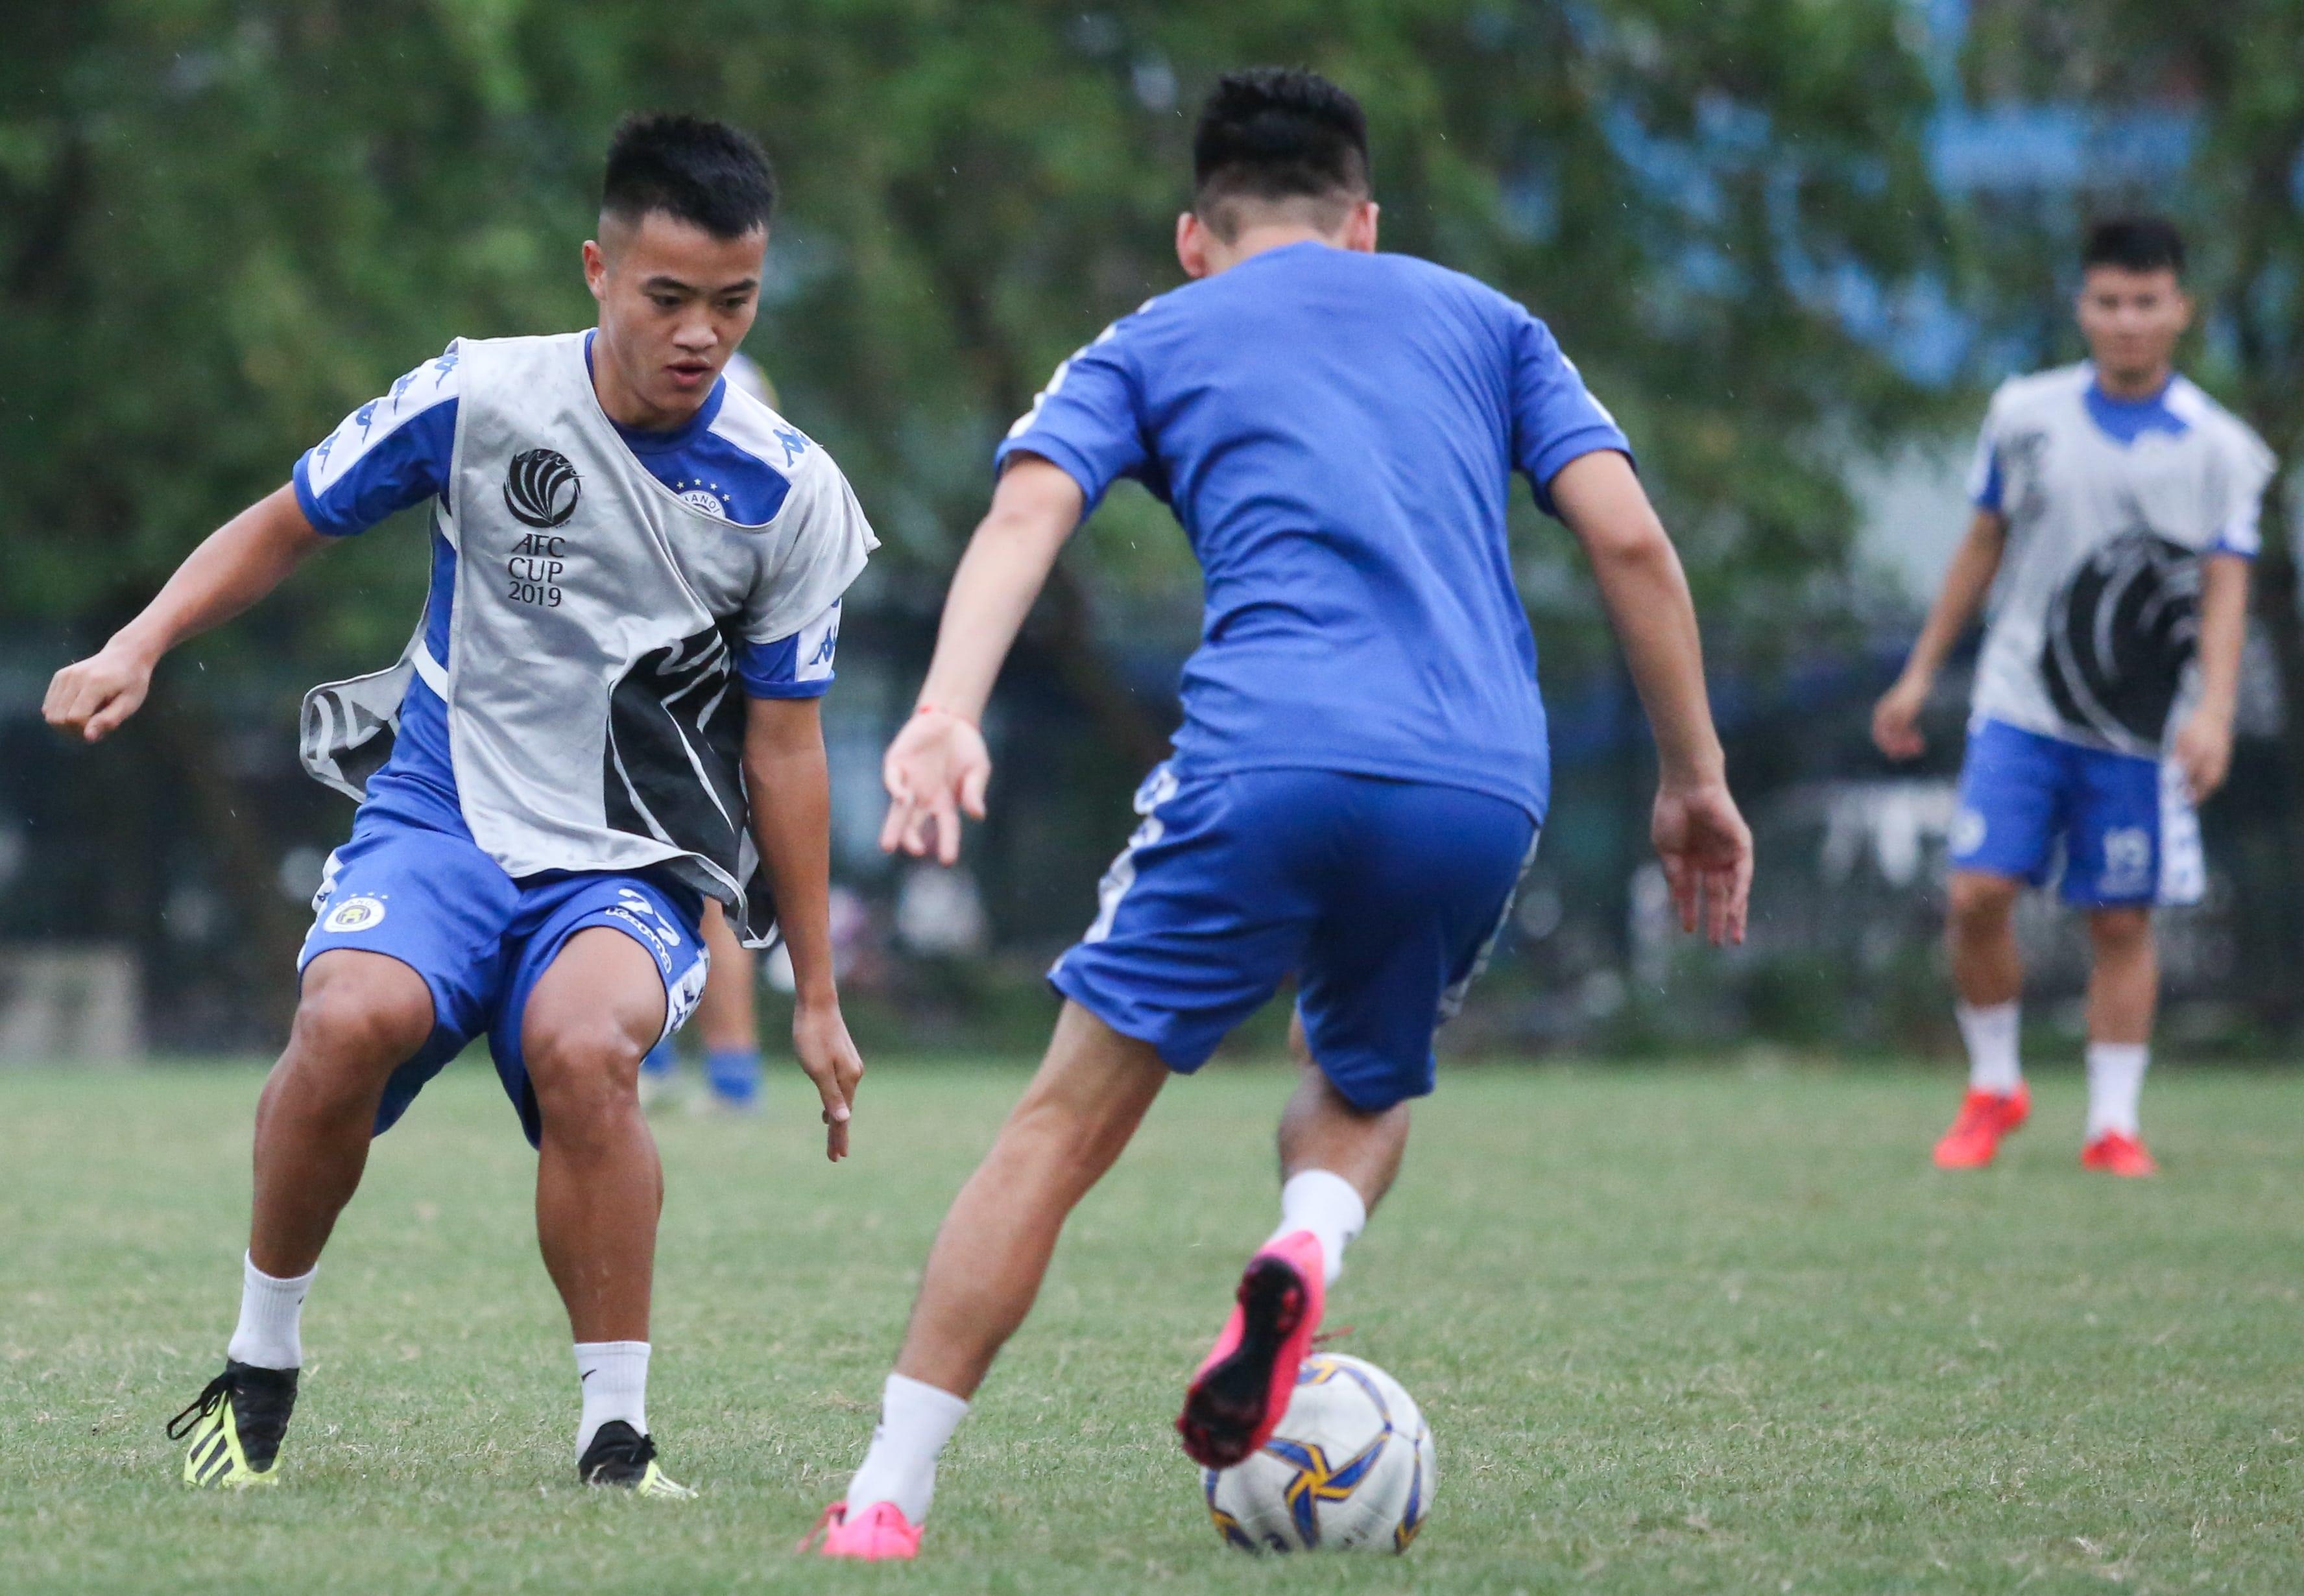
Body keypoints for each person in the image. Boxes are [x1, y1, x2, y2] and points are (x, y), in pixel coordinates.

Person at [806, 69, 1751, 1560]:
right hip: (1477, 774)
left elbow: (1024, 517)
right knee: (1362, 1082)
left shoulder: (1145, 338)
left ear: (1195, 235)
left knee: (1058, 1125)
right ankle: (1304, 1242)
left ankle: (882, 1497)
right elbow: (1629, 537)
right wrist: (1691, 777)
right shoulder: (1488, 323)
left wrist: (942, 710)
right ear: (1362, 224)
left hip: (1265, 756)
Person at [42, 114, 874, 1493]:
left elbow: (789, 747)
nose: (700, 334)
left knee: (588, 1046)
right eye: (668, 298)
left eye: (733, 303)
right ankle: (258, 1372)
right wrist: (139, 641)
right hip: (440, 818)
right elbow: (289, 517)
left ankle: (618, 1434)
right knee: (347, 1016)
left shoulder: (789, 492)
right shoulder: (480, 398)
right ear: (599, 269)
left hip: (630, 859)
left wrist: (825, 1002)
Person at [1873, 216, 2272, 1178]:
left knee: (2122, 918)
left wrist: (2214, 709)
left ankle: (2113, 1125)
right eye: (2108, 301)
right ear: (2082, 306)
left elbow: (2225, 585)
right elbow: (1982, 541)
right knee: (1976, 893)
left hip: (2137, 728)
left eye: (2146, 302)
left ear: (2181, 308)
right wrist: (1922, 669)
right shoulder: (2027, 415)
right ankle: (1996, 1083)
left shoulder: (2222, 449)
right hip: (2019, 704)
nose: (2127, 321)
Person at [640, 353, 780, 1112]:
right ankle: (724, 1076)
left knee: (674, 885)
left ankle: (670, 1068)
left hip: (680, 711)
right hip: (722, 709)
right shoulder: (765, 484)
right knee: (707, 892)